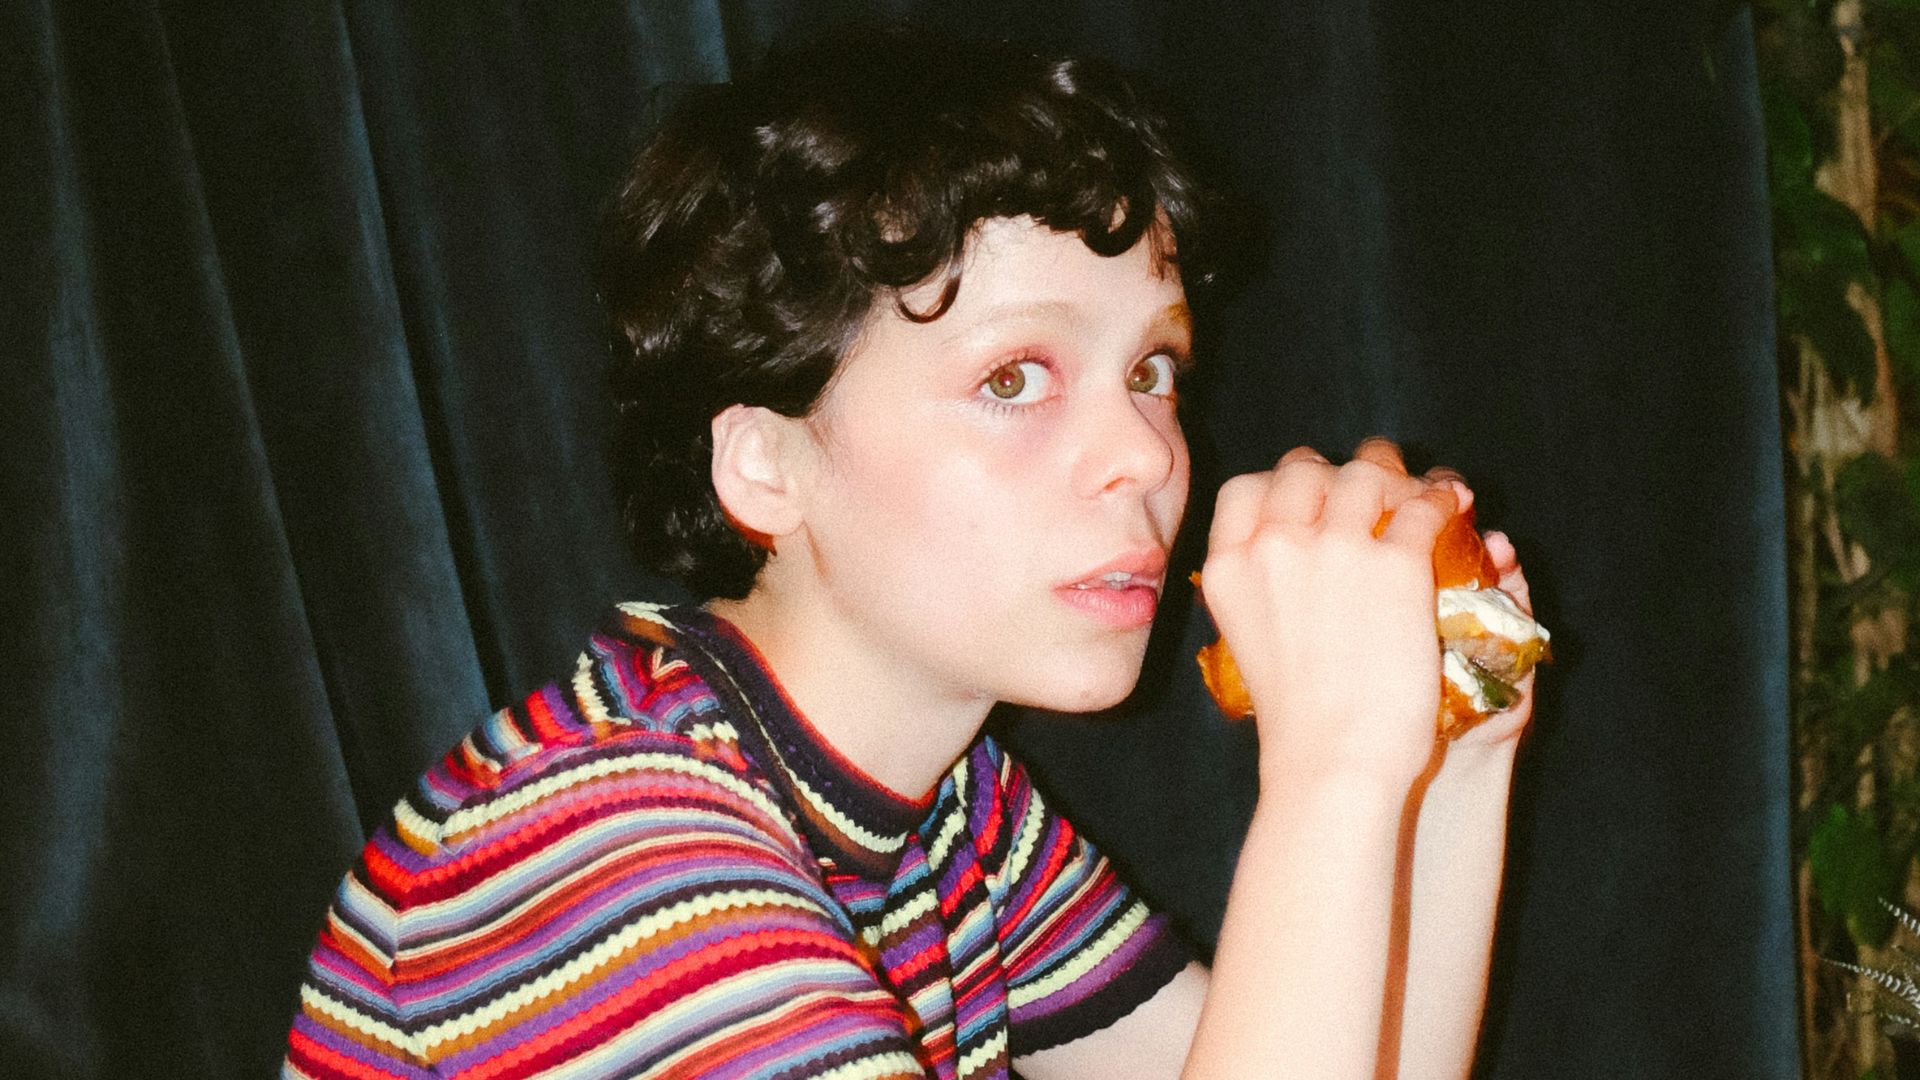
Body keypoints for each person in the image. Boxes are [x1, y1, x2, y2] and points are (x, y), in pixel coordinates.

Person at [282, 26, 1533, 1080]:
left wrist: (1456, 748)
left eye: (1152, 370)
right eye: (1013, 377)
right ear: (768, 463)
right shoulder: (610, 860)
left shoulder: (955, 816)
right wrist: (1333, 777)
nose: (1152, 456)